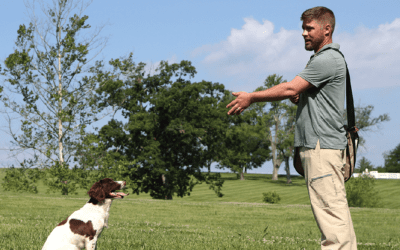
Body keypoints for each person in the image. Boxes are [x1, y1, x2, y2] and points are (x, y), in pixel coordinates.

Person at [226, 6, 357, 250]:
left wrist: (251, 97)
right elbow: (304, 93)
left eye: (309, 28)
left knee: (333, 226)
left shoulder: (327, 59)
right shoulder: (322, 59)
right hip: (324, 147)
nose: (304, 33)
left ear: (326, 29)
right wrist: (302, 98)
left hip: (322, 149)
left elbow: (290, 88)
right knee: (338, 221)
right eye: (303, 28)